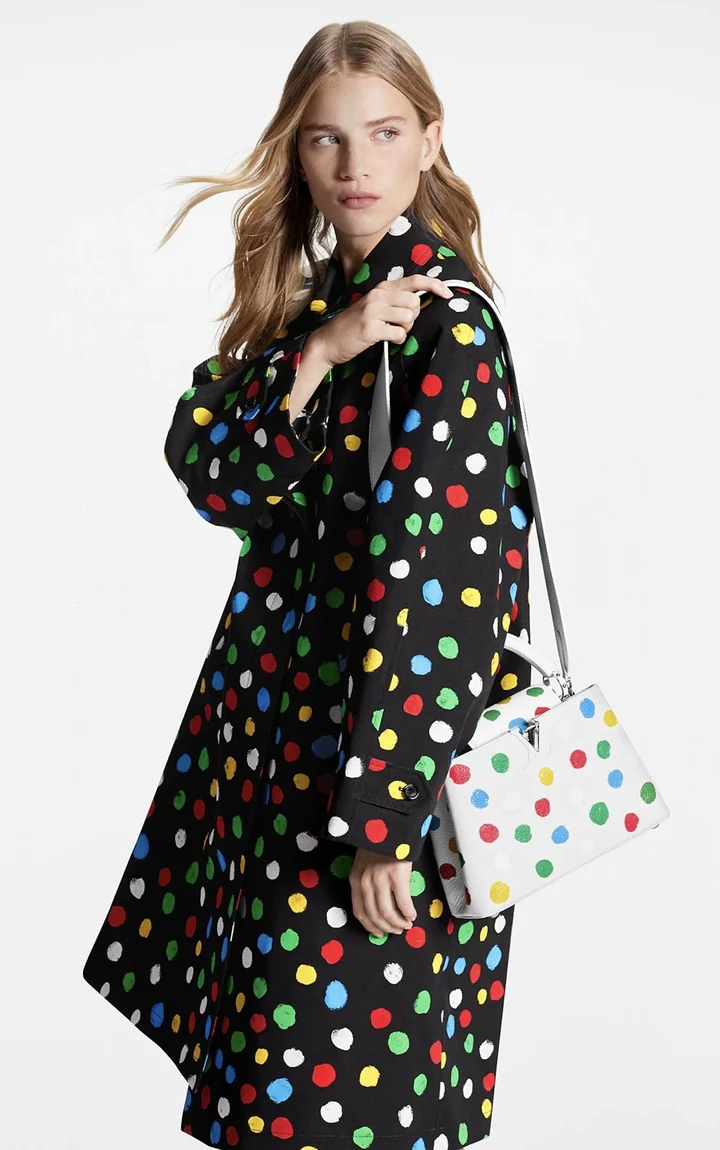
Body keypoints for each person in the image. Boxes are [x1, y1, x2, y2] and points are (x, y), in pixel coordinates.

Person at [83, 19, 533, 1150]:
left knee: (342, 1105)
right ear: (297, 149)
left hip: (373, 781)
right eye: (327, 139)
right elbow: (214, 475)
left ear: (430, 139)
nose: (355, 165)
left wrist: (385, 817)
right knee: (283, 1099)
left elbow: (445, 584)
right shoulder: (328, 311)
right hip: (283, 766)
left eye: (384, 133)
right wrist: (322, 350)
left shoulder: (445, 328)